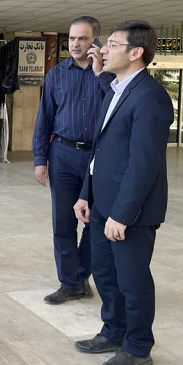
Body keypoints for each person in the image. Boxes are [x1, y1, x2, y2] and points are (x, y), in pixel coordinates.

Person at [73, 20, 173, 365]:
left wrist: (122, 214)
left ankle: (138, 347)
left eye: (113, 44)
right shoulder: (117, 89)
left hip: (130, 210)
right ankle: (114, 331)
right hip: (103, 202)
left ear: (136, 53)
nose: (104, 50)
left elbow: (144, 163)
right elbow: (101, 150)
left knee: (132, 280)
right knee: (105, 272)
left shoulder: (151, 96)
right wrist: (86, 194)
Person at [33, 16, 114, 305]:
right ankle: (69, 282)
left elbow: (116, 103)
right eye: (71, 38)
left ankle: (81, 276)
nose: (75, 44)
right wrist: (40, 158)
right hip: (63, 155)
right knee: (63, 222)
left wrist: (100, 72)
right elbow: (44, 117)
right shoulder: (56, 74)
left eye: (82, 38)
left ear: (95, 41)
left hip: (99, 155)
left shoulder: (110, 74)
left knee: (95, 221)